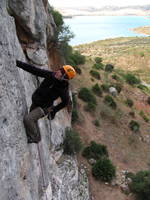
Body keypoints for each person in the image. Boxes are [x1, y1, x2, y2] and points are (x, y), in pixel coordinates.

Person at [16, 60, 76, 143]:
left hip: (44, 108)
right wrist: (18, 63)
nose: (58, 71)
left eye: (62, 72)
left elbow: (65, 102)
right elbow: (35, 70)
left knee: (28, 119)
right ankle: (37, 136)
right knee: (33, 119)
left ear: (64, 78)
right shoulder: (51, 75)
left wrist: (54, 110)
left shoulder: (63, 89)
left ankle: (35, 138)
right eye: (60, 69)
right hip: (36, 101)